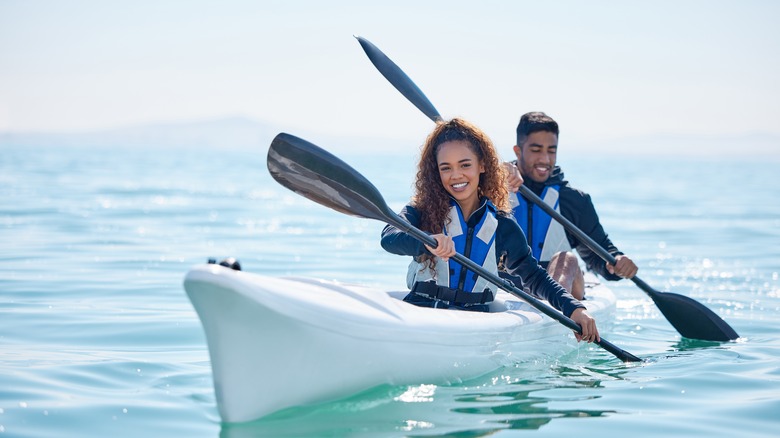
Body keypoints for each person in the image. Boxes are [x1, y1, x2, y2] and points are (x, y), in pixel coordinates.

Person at [381, 118, 599, 343]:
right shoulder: (421, 210)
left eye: (465, 165)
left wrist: (575, 309)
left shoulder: (502, 225)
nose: (456, 175)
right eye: (446, 168)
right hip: (423, 312)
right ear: (436, 172)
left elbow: (534, 276)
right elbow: (389, 238)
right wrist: (425, 240)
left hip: (476, 322)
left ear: (482, 166)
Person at [506, 112, 638, 300]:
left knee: (566, 259)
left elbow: (599, 253)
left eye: (551, 151)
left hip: (559, 292)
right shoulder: (494, 189)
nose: (545, 159)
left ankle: (558, 305)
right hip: (505, 292)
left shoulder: (575, 201)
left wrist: (615, 261)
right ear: (518, 151)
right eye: (536, 150)